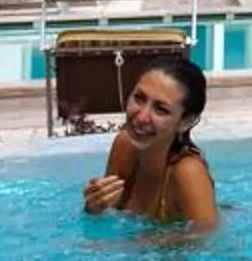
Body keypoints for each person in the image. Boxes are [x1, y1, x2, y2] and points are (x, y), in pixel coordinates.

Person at [81, 52, 219, 231]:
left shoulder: (187, 172)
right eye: (139, 98)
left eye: (160, 109)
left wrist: (143, 244)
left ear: (185, 122)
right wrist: (93, 207)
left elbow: (206, 245)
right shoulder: (125, 145)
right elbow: (107, 218)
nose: (142, 117)